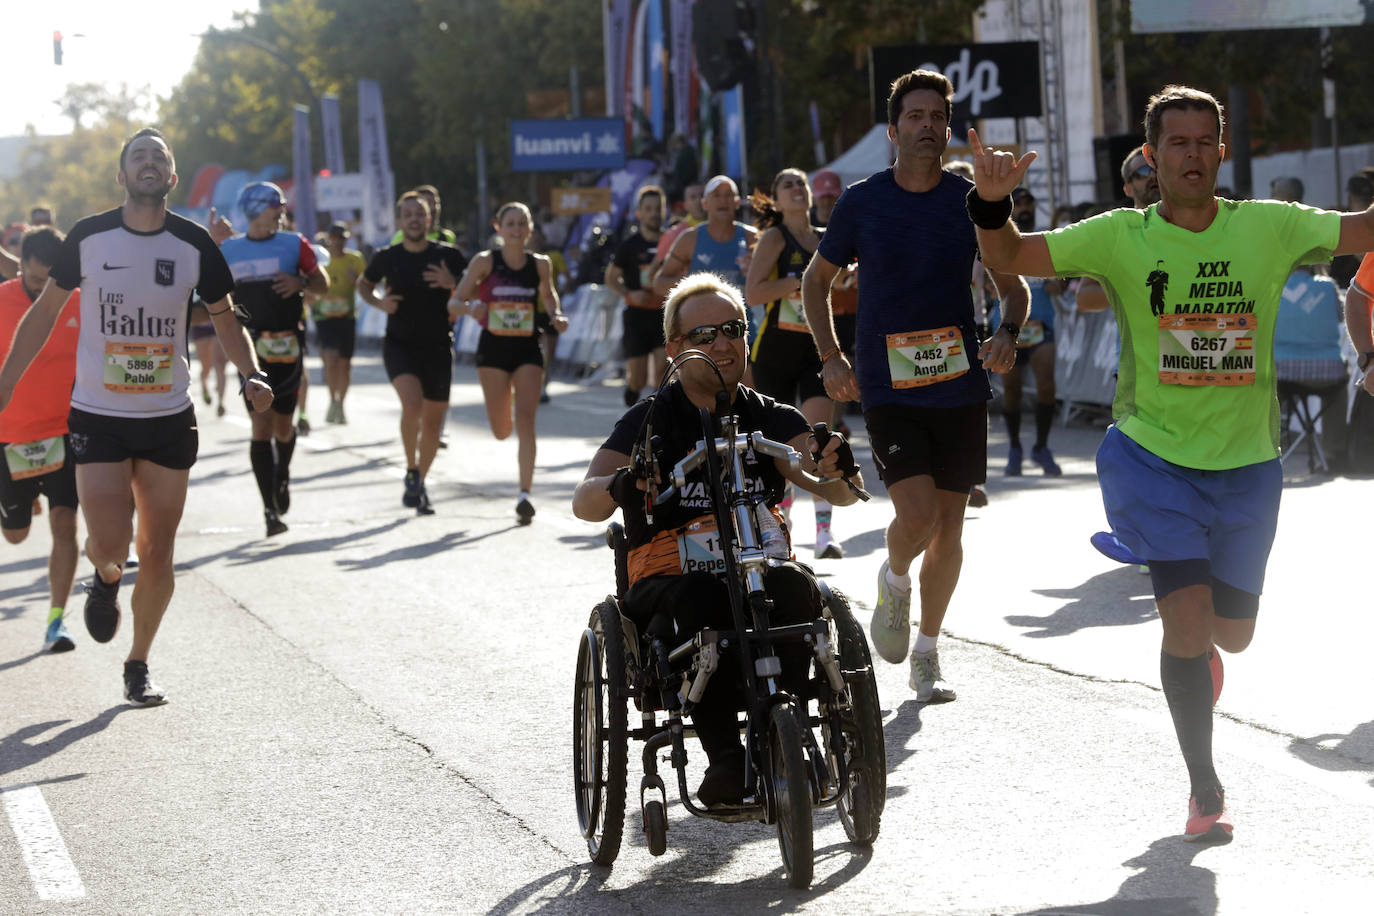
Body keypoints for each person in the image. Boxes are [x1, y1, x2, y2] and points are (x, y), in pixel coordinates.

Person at [965, 84, 1374, 841]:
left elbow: (1364, 228)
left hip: (1249, 460)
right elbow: (1010, 257)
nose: (1191, 155)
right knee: (1185, 623)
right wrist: (993, 204)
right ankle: (1203, 786)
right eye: (1175, 143)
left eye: (1204, 142)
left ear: (1223, 150)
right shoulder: (1122, 234)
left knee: (1233, 633)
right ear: (1151, 157)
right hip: (1151, 455)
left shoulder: (1271, 228)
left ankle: (1203, 663)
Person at [0, 127, 274, 706]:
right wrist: (5, 384)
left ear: (171, 178)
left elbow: (226, 319)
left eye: (160, 156)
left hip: (168, 416)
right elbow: (45, 314)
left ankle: (138, 663)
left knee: (157, 551)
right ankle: (103, 578)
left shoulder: (196, 244)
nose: (149, 163)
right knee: (108, 541)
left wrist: (250, 373)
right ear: (122, 176)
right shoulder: (89, 237)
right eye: (138, 156)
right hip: (98, 415)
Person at [571, 272, 864, 805]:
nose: (723, 345)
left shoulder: (772, 416)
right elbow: (583, 502)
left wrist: (841, 467)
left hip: (759, 568)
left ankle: (790, 738)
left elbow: (834, 489)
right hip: (672, 581)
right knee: (706, 598)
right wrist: (619, 483)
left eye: (732, 329)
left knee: (799, 591)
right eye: (705, 336)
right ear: (675, 349)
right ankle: (728, 759)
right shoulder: (649, 420)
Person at [801, 69, 1028, 703]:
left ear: (947, 129)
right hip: (888, 385)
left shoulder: (969, 200)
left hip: (960, 385)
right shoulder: (863, 201)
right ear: (894, 129)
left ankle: (928, 652)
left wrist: (1008, 332)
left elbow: (1014, 283)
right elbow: (814, 284)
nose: (927, 127)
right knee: (919, 516)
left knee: (951, 531)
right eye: (916, 116)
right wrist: (829, 356)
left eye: (937, 117)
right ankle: (894, 576)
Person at [218, 182, 329, 536]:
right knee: (261, 426)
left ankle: (283, 474)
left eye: (281, 207)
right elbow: (220, 301)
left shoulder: (295, 244)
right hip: (250, 349)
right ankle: (269, 509)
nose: (281, 211)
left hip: (288, 346)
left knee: (284, 426)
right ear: (254, 208)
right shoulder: (229, 250)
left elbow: (322, 284)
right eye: (274, 206)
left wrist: (300, 283)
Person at [744, 168, 845, 559]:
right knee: (779, 450)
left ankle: (825, 534)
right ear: (777, 198)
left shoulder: (823, 239)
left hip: (817, 350)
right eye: (787, 185)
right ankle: (780, 529)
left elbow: (837, 289)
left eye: (801, 184)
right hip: (774, 354)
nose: (797, 190)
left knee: (819, 440)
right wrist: (798, 284)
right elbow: (753, 293)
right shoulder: (774, 238)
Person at [451, 202, 567, 523]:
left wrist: (556, 315)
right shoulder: (485, 262)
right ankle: (508, 399)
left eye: (522, 223)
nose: (516, 229)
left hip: (528, 348)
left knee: (526, 420)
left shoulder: (540, 264)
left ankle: (525, 494)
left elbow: (548, 296)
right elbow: (454, 300)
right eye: (510, 223)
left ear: (530, 229)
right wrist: (472, 307)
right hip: (493, 351)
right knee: (502, 430)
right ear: (498, 228)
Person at [358, 192, 469, 515]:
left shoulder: (448, 255)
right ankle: (410, 467)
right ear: (399, 221)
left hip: (437, 347)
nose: (414, 219)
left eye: (419, 214)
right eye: (407, 214)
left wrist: (452, 282)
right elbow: (364, 285)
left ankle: (419, 479)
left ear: (429, 219)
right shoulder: (387, 256)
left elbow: (473, 288)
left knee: (433, 425)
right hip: (399, 345)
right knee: (412, 405)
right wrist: (380, 303)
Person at [0, 227, 80, 652]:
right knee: (15, 535)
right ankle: (17, 503)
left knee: (65, 523)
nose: (43, 289)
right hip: (9, 437)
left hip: (65, 432)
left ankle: (56, 620)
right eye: (34, 281)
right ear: (21, 267)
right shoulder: (0, 301)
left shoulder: (79, 299)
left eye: (51, 280)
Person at [991, 187, 1062, 476]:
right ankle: (1015, 447)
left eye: (1029, 203)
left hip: (1041, 325)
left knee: (1047, 385)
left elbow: (1060, 283)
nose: (1024, 207)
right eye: (1018, 203)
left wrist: (1058, 283)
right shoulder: (997, 240)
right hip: (1008, 326)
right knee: (1012, 391)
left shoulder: (1046, 240)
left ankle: (1041, 447)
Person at [605, 186, 668, 407]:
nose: (654, 213)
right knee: (638, 377)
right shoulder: (629, 245)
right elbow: (611, 278)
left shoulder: (672, 242)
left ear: (664, 210)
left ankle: (657, 409)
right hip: (636, 316)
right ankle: (632, 389)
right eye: (648, 209)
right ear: (639, 213)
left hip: (664, 314)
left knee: (663, 368)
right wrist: (630, 293)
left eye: (657, 208)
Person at [313, 222, 367, 424]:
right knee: (331, 359)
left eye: (342, 238)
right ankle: (331, 399)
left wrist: (357, 282)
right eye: (335, 238)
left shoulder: (355, 259)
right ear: (329, 239)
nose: (339, 242)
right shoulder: (321, 259)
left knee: (345, 365)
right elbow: (310, 283)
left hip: (346, 317)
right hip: (324, 317)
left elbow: (368, 286)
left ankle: (340, 404)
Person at [188, 299, 228, 418]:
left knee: (220, 364)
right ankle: (204, 385)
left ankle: (221, 402)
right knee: (206, 366)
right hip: (200, 325)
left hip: (218, 324)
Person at [390, 184, 459, 246]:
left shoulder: (448, 237)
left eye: (436, 203)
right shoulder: (400, 238)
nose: (433, 207)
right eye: (428, 202)